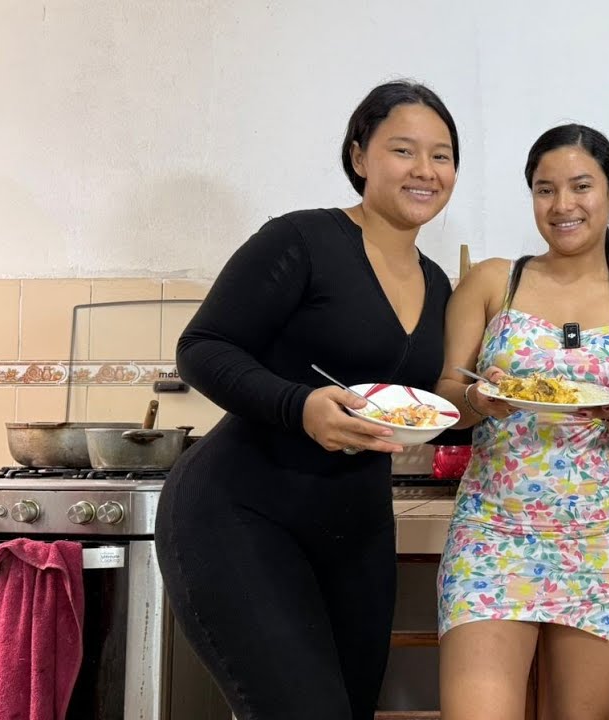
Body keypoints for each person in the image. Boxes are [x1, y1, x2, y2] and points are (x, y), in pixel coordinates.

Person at [154, 81, 461, 720]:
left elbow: (423, 408)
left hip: (357, 531)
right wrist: (300, 407)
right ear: (359, 157)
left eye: (442, 154)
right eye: (404, 150)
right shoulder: (302, 240)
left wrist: (503, 408)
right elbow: (203, 346)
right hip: (240, 512)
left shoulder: (436, 284)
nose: (425, 170)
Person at [433, 124, 609, 719]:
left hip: (601, 542)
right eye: (545, 190)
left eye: (581, 186)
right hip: (493, 532)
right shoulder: (495, 281)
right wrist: (479, 403)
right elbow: (448, 391)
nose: (563, 205)